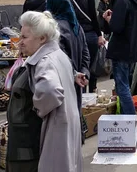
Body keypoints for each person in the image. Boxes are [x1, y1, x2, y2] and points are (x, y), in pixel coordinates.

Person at [7, 11, 82, 171]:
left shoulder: (44, 61)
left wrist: (38, 109)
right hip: (62, 128)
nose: (20, 42)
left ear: (42, 38)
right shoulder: (57, 54)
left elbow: (51, 90)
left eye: (25, 37)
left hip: (48, 134)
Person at [102, 0, 137, 134]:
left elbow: (117, 27)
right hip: (133, 50)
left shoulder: (122, 1)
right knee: (125, 86)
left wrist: (109, 19)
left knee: (122, 87)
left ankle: (130, 126)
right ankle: (127, 123)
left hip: (121, 49)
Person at [46, 0, 90, 114]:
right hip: (78, 79)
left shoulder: (55, 28)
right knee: (76, 115)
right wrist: (84, 72)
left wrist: (73, 74)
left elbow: (61, 57)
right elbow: (86, 52)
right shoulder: (76, 26)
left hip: (64, 80)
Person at [70, 0, 105, 94]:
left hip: (77, 36)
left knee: (81, 64)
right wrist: (100, 35)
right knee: (92, 64)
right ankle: (93, 90)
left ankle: (82, 92)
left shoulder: (70, 1)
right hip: (91, 35)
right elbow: (94, 19)